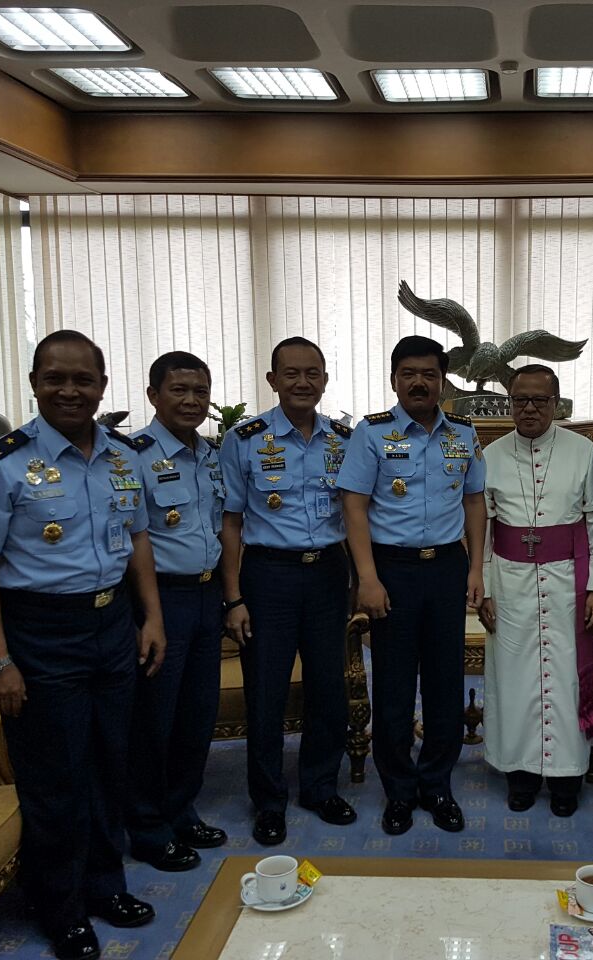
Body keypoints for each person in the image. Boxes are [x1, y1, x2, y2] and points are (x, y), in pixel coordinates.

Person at [0, 330, 166, 960]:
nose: (70, 390)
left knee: (108, 763)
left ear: (103, 386)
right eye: (56, 378)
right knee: (56, 777)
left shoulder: (124, 458)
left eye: (83, 380)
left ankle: (105, 886)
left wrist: (151, 617)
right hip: (41, 633)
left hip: (111, 626)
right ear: (35, 383)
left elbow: (139, 542)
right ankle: (61, 905)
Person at [337, 335, 487, 835]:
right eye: (408, 373)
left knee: (446, 681)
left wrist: (475, 570)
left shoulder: (463, 434)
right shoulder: (371, 434)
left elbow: (473, 503)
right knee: (395, 686)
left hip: (446, 567)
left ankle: (437, 785)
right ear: (394, 379)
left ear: (443, 381)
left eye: (429, 373)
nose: (419, 382)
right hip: (391, 571)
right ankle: (399, 790)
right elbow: (354, 507)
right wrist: (368, 578)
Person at [219, 336, 357, 847]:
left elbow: (357, 513)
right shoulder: (245, 438)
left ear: (325, 379)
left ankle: (321, 788)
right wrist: (233, 598)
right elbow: (230, 523)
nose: (303, 382)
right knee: (266, 692)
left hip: (326, 572)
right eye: (292, 373)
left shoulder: (345, 439)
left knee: (328, 687)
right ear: (273, 379)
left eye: (313, 373)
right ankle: (269, 800)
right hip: (267, 576)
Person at [478, 363, 593, 816]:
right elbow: (481, 530)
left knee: (567, 675)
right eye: (520, 400)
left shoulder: (582, 451)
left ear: (556, 403)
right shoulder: (491, 455)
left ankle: (566, 775)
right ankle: (520, 771)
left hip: (566, 581)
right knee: (513, 677)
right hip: (510, 584)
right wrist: (485, 589)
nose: (530, 408)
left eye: (540, 400)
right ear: (509, 403)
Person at [123, 351, 227, 872]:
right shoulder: (131, 456)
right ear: (153, 396)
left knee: (196, 714)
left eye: (200, 392)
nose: (191, 401)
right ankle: (146, 826)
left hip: (208, 596)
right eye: (179, 390)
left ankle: (180, 808)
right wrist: (149, 615)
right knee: (154, 719)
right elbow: (132, 539)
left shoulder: (210, 454)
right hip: (161, 600)